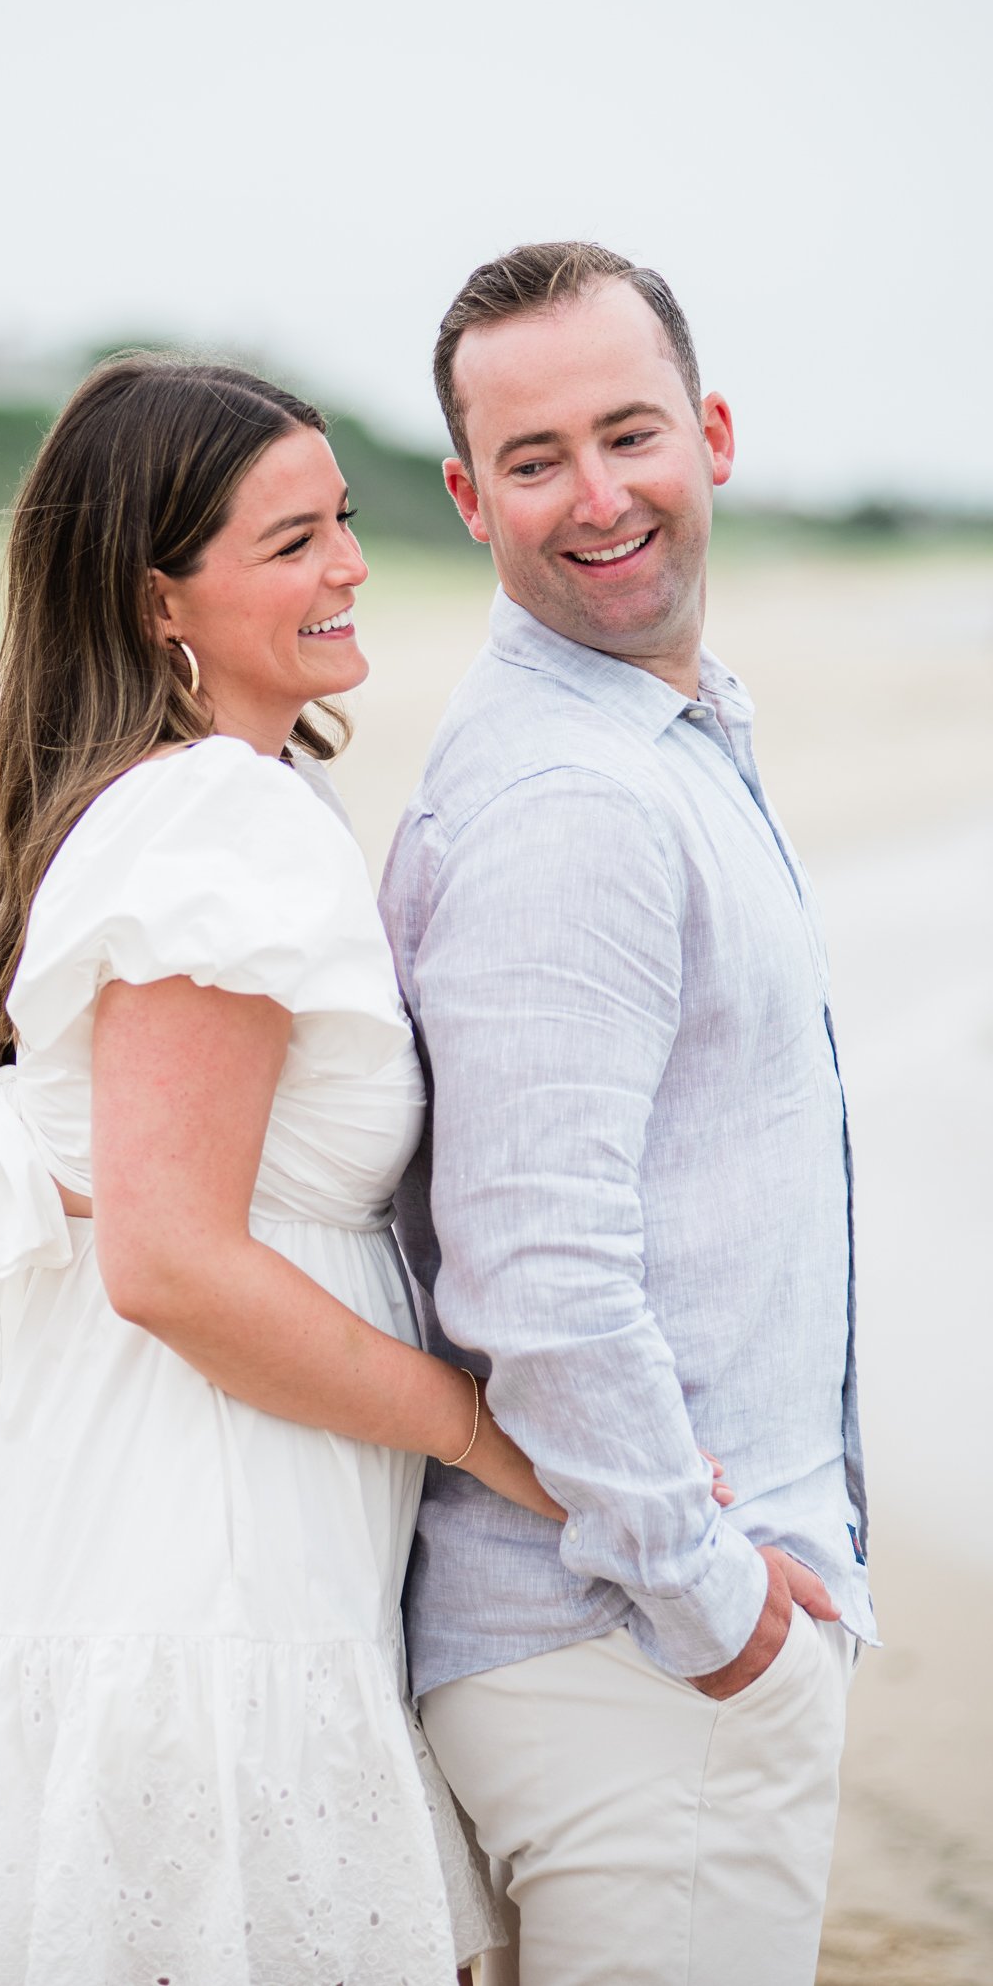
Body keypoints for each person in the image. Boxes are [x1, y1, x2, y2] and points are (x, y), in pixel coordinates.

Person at [0, 353, 556, 1984]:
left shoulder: (228, 799)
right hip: (206, 1569)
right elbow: (173, 1261)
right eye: (291, 541)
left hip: (173, 1535)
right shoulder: (214, 828)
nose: (350, 564)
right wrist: (485, 1434)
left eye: (340, 520)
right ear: (158, 600)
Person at [380, 242, 879, 1986]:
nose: (597, 498)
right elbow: (535, 1268)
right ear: (467, 497)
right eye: (535, 461)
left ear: (713, 433)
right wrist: (716, 1607)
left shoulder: (663, 738)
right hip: (630, 1671)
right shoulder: (574, 799)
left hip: (629, 1660)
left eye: (628, 434)